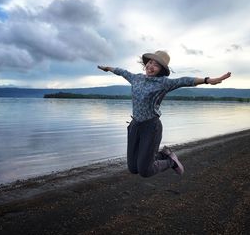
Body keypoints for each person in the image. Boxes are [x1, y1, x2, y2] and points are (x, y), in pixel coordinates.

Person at [98, 50, 231, 178]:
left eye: (156, 65)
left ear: (161, 69)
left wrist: (207, 80)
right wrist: (108, 68)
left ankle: (171, 161)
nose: (151, 66)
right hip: (135, 126)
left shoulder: (163, 83)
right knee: (133, 168)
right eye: (150, 62)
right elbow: (122, 72)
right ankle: (162, 154)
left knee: (145, 171)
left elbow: (184, 80)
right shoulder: (136, 78)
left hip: (151, 127)